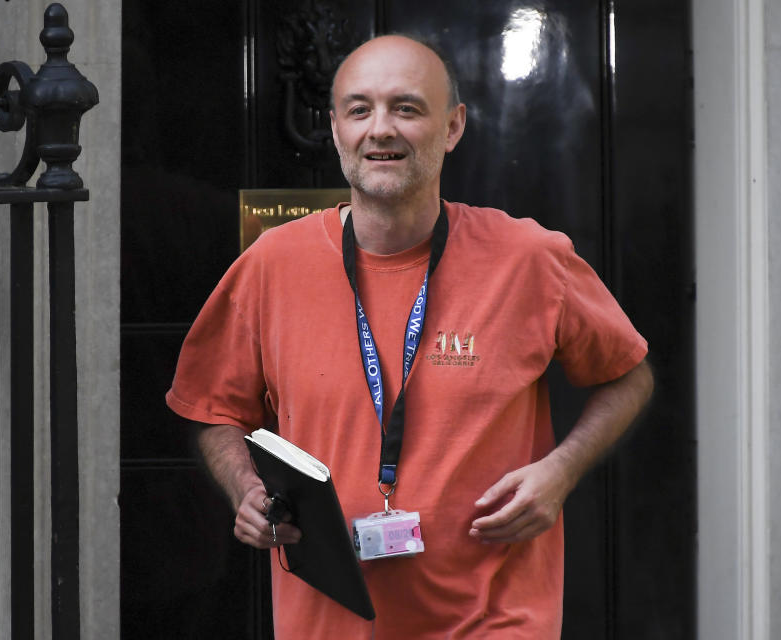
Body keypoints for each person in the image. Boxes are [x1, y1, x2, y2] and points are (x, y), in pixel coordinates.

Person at [166, 34, 653, 639]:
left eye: (407, 108)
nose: (381, 129)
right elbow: (213, 407)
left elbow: (627, 373)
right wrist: (247, 490)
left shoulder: (529, 258)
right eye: (359, 109)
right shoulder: (272, 264)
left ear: (452, 127)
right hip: (327, 622)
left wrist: (560, 472)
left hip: (494, 619)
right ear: (336, 129)